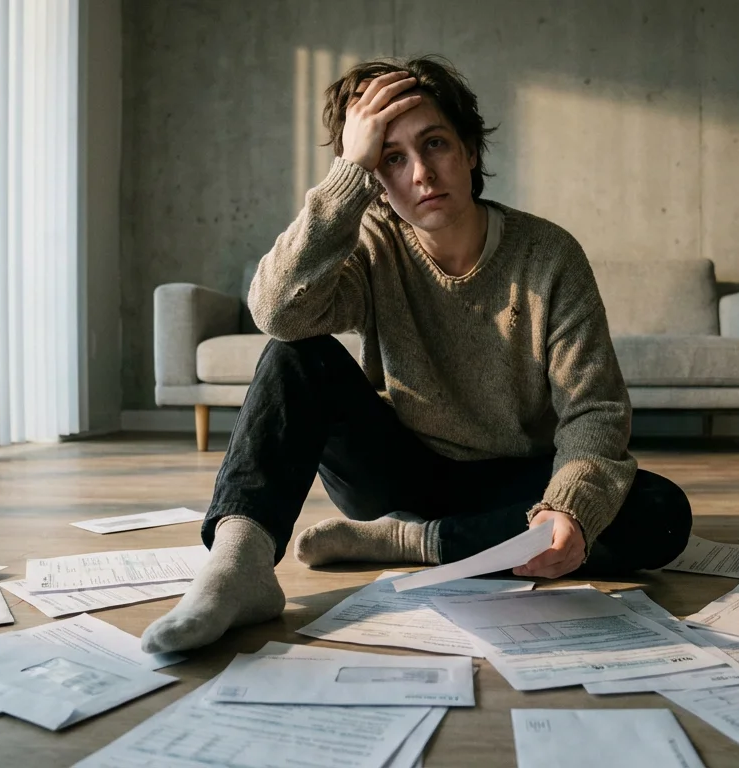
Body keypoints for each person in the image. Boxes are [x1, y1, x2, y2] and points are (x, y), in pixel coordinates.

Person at [141, 56, 692, 654]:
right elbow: (278, 311)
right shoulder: (374, 242)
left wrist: (569, 509)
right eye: (392, 159)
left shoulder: (549, 254)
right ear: (373, 178)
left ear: (471, 150)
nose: (423, 174)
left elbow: (595, 411)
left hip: (515, 486)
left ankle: (406, 542)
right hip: (398, 473)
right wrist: (348, 170)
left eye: (436, 144)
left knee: (660, 513)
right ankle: (239, 565)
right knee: (293, 355)